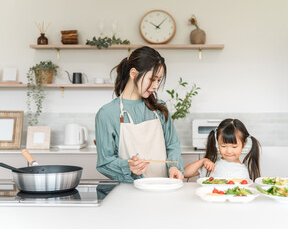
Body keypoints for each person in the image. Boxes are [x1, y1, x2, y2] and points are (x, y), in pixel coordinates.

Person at [95, 46, 184, 182]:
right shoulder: (107, 114)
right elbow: (104, 163)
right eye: (152, 79)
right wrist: (128, 166)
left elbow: (172, 145)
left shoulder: (159, 109)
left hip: (162, 189)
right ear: (133, 73)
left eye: (158, 80)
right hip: (128, 194)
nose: (155, 86)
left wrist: (174, 167)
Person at [184, 118, 261, 180]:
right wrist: (202, 161)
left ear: (243, 144)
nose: (228, 151)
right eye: (223, 146)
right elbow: (184, 173)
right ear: (218, 142)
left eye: (234, 147)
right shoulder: (212, 165)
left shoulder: (242, 172)